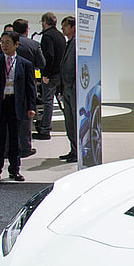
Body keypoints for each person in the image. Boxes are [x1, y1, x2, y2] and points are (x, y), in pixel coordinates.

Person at [0, 32, 36, 182]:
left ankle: (14, 170)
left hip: (16, 104)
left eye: (7, 42)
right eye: (2, 42)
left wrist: (31, 106)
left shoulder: (25, 64)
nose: (4, 45)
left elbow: (30, 88)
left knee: (15, 140)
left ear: (16, 44)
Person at [12, 18, 45, 158]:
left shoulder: (6, 44)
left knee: (8, 117)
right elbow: (41, 63)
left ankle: (9, 147)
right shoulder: (33, 44)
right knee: (27, 116)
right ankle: (25, 147)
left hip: (8, 85)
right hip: (27, 84)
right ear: (27, 30)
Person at [34, 12, 66, 140]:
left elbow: (48, 56)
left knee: (47, 103)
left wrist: (45, 74)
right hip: (60, 75)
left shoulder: (47, 36)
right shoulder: (60, 36)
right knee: (63, 103)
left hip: (51, 75)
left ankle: (45, 130)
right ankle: (73, 127)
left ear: (44, 22)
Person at [58, 16, 78, 163]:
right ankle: (73, 149)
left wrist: (71, 87)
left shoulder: (77, 44)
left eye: (65, 26)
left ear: (73, 27)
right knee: (69, 122)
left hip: (73, 90)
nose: (63, 28)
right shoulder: (69, 43)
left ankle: (77, 150)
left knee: (73, 121)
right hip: (67, 89)